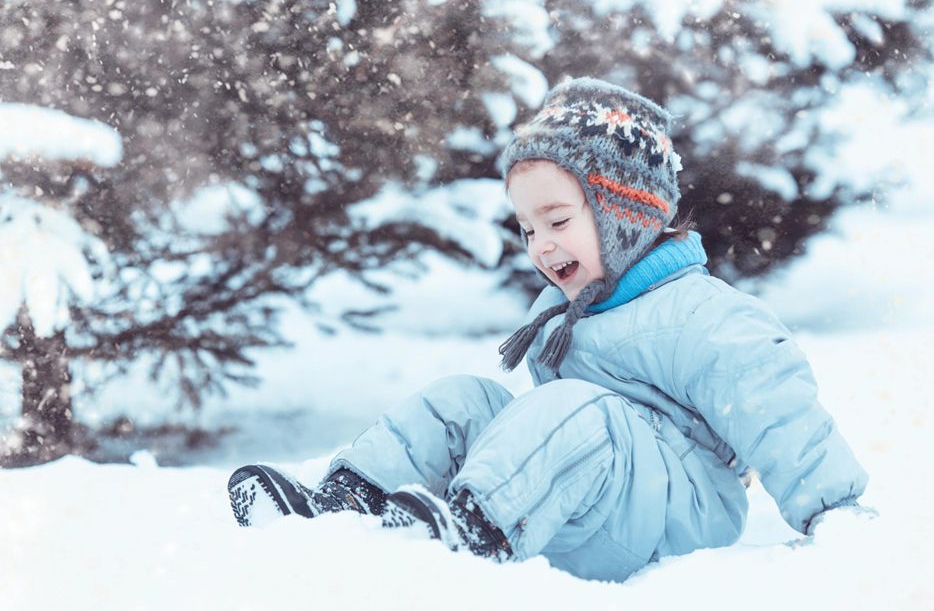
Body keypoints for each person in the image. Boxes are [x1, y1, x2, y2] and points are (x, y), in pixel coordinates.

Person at [227, 77, 871, 582]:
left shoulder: (702, 313)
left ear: (623, 216)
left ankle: (475, 532)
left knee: (574, 408)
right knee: (466, 400)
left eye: (558, 221)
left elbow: (777, 410)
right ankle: (344, 504)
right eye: (528, 228)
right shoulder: (566, 312)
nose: (540, 245)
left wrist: (835, 513)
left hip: (678, 513)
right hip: (579, 500)